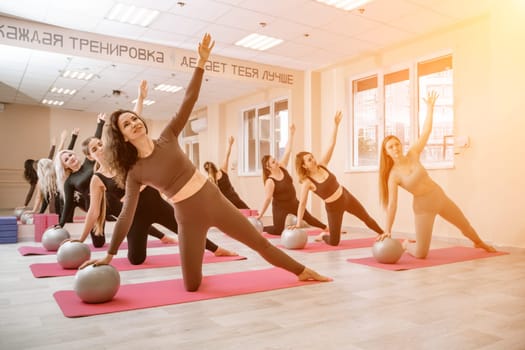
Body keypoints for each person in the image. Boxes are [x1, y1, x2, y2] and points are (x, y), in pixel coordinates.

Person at [81, 33, 330, 291]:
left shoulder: (167, 137)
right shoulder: (135, 172)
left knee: (259, 243)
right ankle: (203, 266)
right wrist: (110, 254)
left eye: (134, 119)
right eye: (126, 124)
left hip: (213, 200)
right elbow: (125, 214)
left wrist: (201, 63)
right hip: (187, 217)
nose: (134, 123)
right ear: (122, 136)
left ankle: (302, 271)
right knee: (191, 285)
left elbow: (188, 101)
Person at [79, 136, 235, 264]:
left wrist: (134, 190)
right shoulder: (97, 179)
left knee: (187, 229)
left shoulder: (124, 161)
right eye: (94, 149)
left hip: (157, 205)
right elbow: (93, 212)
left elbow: (148, 174)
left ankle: (217, 250)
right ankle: (147, 232)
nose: (100, 149)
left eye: (100, 144)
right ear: (89, 157)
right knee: (136, 260)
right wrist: (81, 239)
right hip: (135, 217)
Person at [377, 91, 496, 258]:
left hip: (438, 196)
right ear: (386, 152)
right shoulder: (394, 176)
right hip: (423, 207)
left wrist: (430, 108)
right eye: (391, 147)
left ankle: (479, 242)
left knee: (464, 225)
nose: (395, 148)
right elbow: (392, 205)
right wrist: (387, 229)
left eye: (396, 144)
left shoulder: (413, 153)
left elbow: (426, 131)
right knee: (420, 253)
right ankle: (406, 244)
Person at [294, 111, 384, 246]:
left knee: (366, 218)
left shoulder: (322, 165)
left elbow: (331, 145)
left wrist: (335, 125)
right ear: (304, 166)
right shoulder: (307, 182)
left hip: (345, 196)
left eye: (312, 157)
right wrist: (298, 223)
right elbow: (302, 204)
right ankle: (324, 236)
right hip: (333, 207)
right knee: (334, 242)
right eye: (309, 160)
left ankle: (383, 234)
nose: (313, 160)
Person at [258, 123, 328, 236]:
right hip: (280, 207)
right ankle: (260, 229)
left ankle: (327, 228)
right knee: (278, 230)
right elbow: (267, 199)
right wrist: (260, 215)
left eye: (275, 159)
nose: (276, 162)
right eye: (273, 162)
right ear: (268, 167)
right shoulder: (270, 181)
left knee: (309, 218)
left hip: (293, 202)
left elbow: (288, 151)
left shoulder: (282, 167)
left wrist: (292, 134)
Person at [54, 114, 105, 246]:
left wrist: (100, 124)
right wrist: (61, 224)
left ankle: (161, 236)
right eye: (66, 159)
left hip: (108, 200)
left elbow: (94, 143)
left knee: (132, 219)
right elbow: (68, 204)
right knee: (99, 243)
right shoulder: (70, 182)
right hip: (93, 208)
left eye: (70, 154)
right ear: (64, 165)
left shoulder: (88, 163)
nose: (70, 157)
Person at [203, 136, 250, 209]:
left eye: (208, 167)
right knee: (242, 214)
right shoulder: (216, 175)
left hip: (230, 201)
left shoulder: (217, 175)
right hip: (230, 200)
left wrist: (230, 144)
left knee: (240, 214)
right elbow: (227, 156)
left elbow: (227, 156)